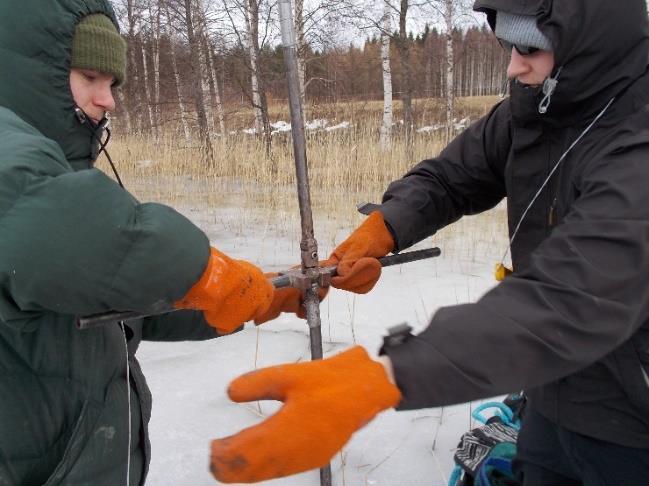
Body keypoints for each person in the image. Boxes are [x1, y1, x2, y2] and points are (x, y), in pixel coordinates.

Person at [210, 0, 649, 484]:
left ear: (589, 48)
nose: (513, 64)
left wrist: (384, 378)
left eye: (531, 48)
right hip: (551, 391)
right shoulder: (541, 104)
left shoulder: (636, 138)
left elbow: (572, 298)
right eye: (508, 45)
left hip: (633, 418)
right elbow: (451, 179)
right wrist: (380, 232)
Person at [0, 1, 305, 484]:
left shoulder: (58, 180)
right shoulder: (14, 164)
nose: (108, 100)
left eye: (112, 84)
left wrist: (256, 297)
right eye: (90, 77)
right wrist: (210, 275)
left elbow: (121, 303)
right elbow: (91, 234)